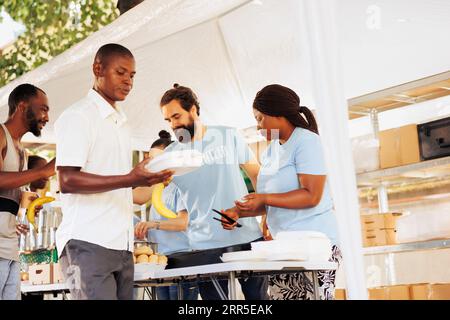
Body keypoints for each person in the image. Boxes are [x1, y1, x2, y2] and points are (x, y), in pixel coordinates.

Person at [54, 43, 173, 300]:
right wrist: (130, 178)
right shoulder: (79, 116)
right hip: (87, 241)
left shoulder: (121, 122)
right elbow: (67, 180)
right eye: (121, 72)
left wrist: (149, 178)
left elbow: (116, 180)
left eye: (132, 75)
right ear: (98, 69)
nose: (128, 81)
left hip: (121, 245)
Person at [222, 84, 342, 300]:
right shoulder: (271, 152)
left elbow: (311, 195)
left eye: (260, 118)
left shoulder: (307, 142)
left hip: (314, 245)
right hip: (283, 248)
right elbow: (270, 201)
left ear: (278, 114)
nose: (257, 126)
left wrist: (265, 198)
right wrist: (239, 212)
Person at [158, 84, 268, 300]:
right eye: (168, 120)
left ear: (193, 110)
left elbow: (257, 175)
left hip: (248, 237)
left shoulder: (227, 135)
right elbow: (145, 193)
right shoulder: (170, 155)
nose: (173, 124)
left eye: (176, 116)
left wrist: (267, 216)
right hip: (204, 248)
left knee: (259, 302)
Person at [0, 84, 55, 300]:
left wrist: (25, 199)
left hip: (9, 246)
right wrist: (43, 170)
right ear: (22, 106)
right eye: (43, 109)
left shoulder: (22, 149)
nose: (47, 117)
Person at [134, 130, 198, 300]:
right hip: (161, 261)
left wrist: (153, 224)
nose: (154, 165)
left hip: (182, 259)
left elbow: (182, 223)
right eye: (151, 160)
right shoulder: (156, 187)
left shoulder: (181, 185)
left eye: (159, 160)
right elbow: (134, 197)